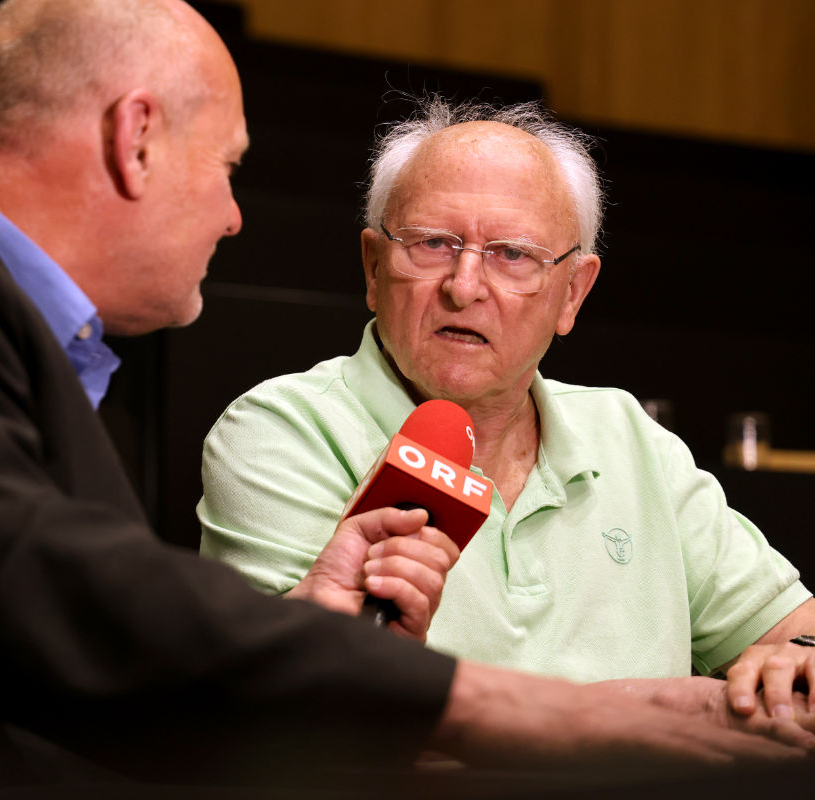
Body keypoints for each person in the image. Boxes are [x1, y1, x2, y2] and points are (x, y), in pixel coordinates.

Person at [0, 3, 812, 797]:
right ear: (137, 140)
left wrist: (309, 614)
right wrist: (579, 717)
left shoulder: (6, 342)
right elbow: (46, 594)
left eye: (511, 257)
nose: (239, 214)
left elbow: (64, 662)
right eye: (231, 167)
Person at [197, 97, 815, 725]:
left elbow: (797, 632)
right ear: (374, 267)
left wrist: (796, 658)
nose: (464, 286)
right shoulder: (281, 431)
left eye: (512, 254)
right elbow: (308, 729)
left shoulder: (629, 435)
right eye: (433, 243)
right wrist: (666, 711)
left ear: (573, 292)